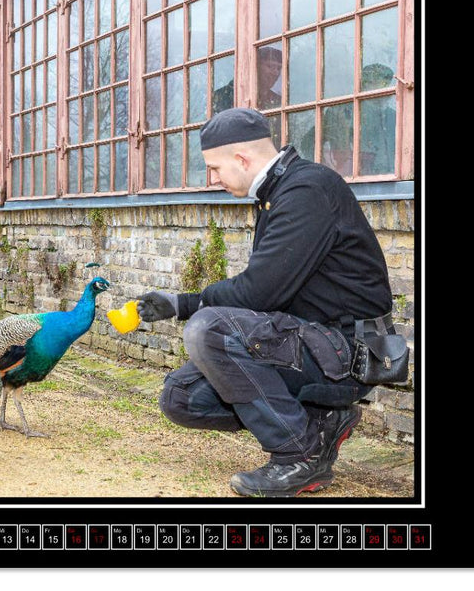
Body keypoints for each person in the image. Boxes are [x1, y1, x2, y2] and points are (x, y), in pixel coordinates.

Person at [135, 107, 394, 497]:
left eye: (215, 168)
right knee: (182, 398)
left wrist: (186, 303)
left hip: (346, 353)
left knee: (210, 328)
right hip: (312, 345)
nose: (213, 177)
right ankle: (323, 421)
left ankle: (299, 456)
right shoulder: (277, 193)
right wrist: (183, 303)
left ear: (241, 159)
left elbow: (258, 293)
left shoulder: (307, 191)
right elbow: (268, 298)